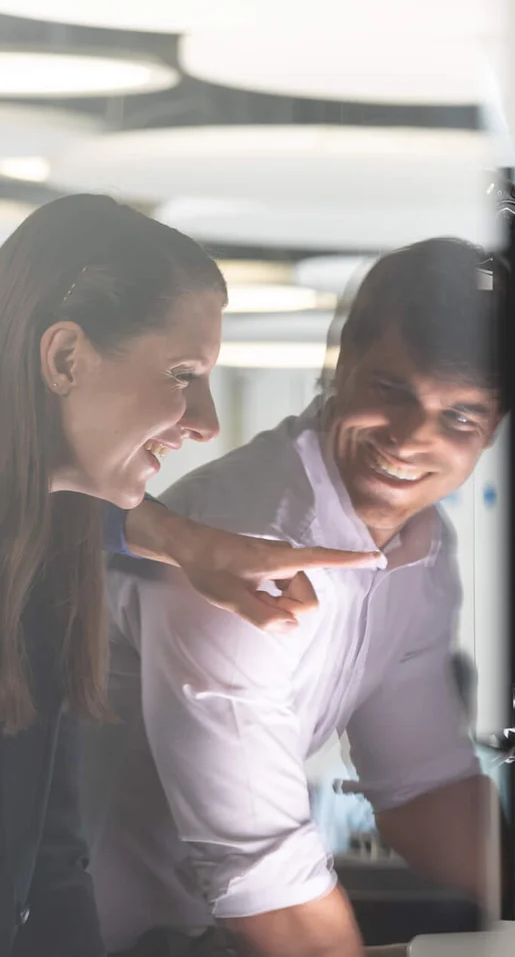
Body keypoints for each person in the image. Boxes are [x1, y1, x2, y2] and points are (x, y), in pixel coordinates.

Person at [90, 237, 506, 957]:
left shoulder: (417, 546)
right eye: (392, 390)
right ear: (344, 361)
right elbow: (264, 883)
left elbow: (421, 787)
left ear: (492, 432)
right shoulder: (248, 542)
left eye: (460, 418)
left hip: (193, 935)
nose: (412, 438)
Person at [0, 195, 378, 957]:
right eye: (182, 374)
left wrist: (180, 539)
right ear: (65, 358)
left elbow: (50, 863)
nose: (205, 422)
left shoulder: (49, 552)